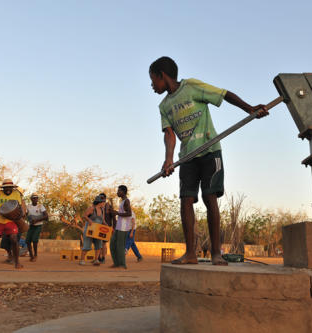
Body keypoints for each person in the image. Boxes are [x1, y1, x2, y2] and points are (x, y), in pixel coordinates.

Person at [149, 56, 268, 265]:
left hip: (210, 151)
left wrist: (249, 108)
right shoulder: (164, 106)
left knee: (209, 197)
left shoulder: (192, 87)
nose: (152, 86)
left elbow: (224, 94)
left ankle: (216, 253)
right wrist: (168, 159)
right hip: (187, 158)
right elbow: (169, 134)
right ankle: (190, 254)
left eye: (153, 81)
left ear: (162, 75)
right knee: (185, 201)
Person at [110, 185, 132, 269]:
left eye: (119, 191)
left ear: (123, 192)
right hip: (119, 226)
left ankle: (122, 264)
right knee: (112, 244)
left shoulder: (126, 201)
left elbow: (129, 213)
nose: (117, 192)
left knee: (120, 246)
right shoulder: (122, 201)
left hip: (123, 227)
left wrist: (117, 213)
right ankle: (116, 263)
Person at [80, 195, 106, 266]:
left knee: (98, 245)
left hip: (98, 231)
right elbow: (84, 216)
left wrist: (107, 226)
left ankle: (96, 260)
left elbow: (103, 220)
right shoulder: (91, 208)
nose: (104, 203)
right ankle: (82, 260)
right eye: (103, 202)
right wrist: (89, 220)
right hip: (89, 230)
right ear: (100, 202)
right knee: (87, 245)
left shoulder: (102, 210)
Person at [25, 193, 48, 262]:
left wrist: (36, 220)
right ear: (31, 199)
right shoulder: (28, 206)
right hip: (31, 225)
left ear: (37, 199)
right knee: (27, 241)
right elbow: (25, 214)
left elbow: (46, 216)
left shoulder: (40, 206)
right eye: (34, 198)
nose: (35, 199)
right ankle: (31, 255)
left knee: (35, 240)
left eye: (36, 198)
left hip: (38, 225)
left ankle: (35, 255)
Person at [97, 193, 116, 264]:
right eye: (100, 197)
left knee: (104, 243)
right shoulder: (98, 206)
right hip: (99, 227)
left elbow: (113, 217)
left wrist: (113, 228)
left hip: (106, 227)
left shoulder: (108, 206)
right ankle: (97, 257)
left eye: (102, 197)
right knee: (98, 242)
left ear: (104, 198)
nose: (100, 198)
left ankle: (103, 258)